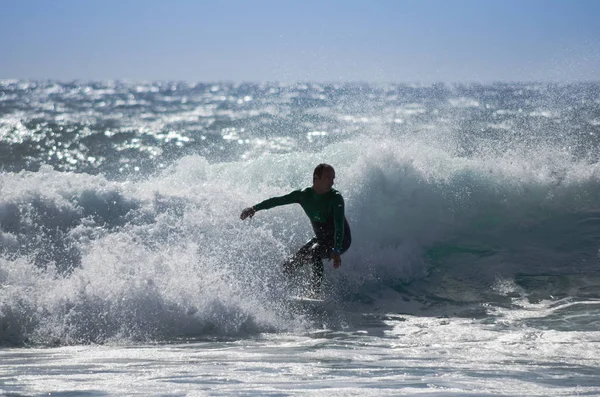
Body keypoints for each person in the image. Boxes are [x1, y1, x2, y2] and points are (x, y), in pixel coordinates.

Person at [240, 163, 351, 296]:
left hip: (341, 240)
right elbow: (278, 201)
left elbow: (339, 225)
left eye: (333, 178)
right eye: (328, 178)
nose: (332, 182)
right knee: (291, 264)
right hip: (322, 239)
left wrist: (337, 249)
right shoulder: (303, 195)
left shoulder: (335, 197)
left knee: (315, 253)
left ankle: (315, 293)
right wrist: (254, 208)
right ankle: (286, 290)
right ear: (317, 178)